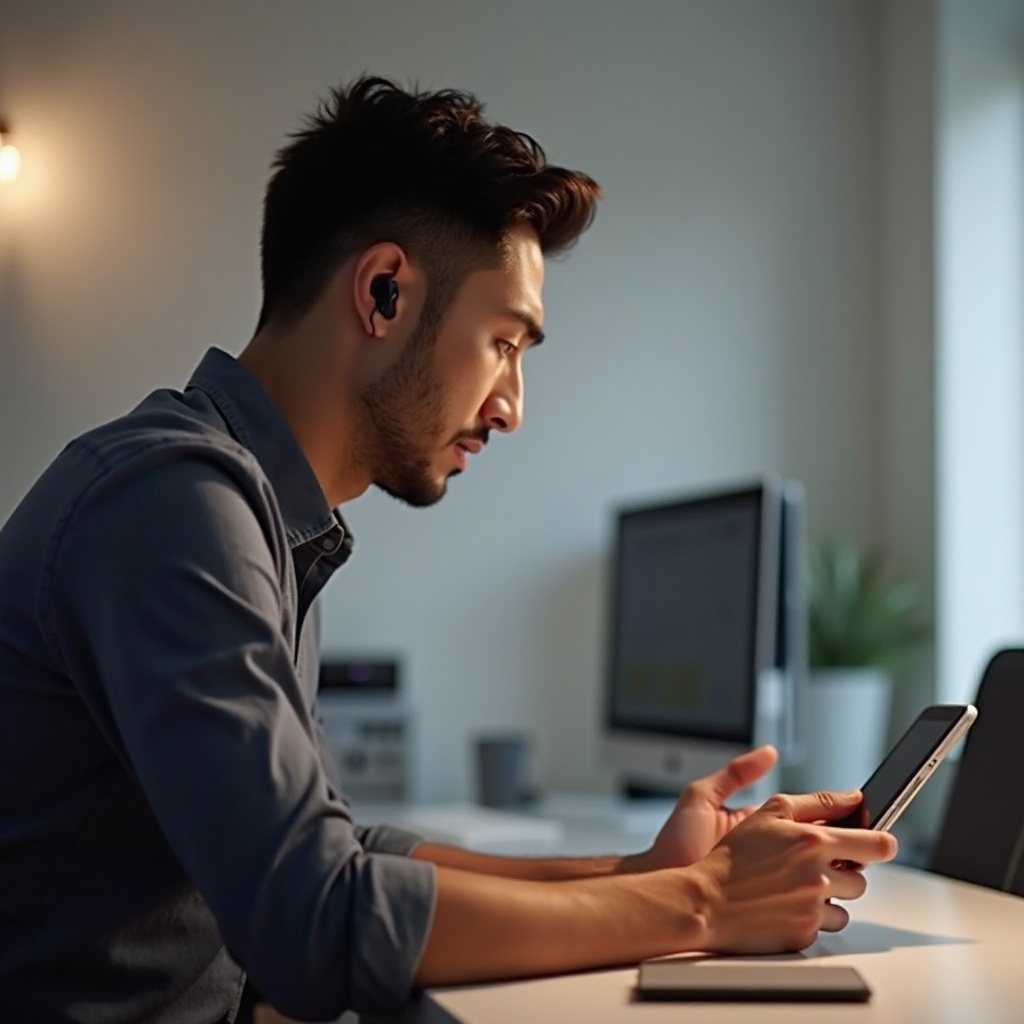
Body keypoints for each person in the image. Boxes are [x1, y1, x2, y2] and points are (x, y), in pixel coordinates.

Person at [0, 76, 896, 1024]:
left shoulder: (248, 511)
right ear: (385, 292)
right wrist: (710, 903)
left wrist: (642, 873)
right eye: (505, 342)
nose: (512, 406)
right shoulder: (174, 504)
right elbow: (317, 920)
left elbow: (338, 852)